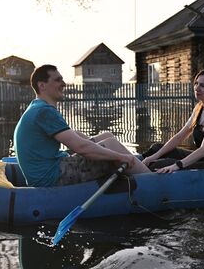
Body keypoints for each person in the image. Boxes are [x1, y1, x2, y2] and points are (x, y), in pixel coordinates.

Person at [14, 64, 150, 187]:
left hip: (47, 169)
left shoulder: (37, 107)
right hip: (51, 177)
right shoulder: (44, 111)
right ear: (42, 85)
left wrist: (98, 145)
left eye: (62, 79)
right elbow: (81, 147)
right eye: (57, 80)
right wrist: (119, 156)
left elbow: (74, 136)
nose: (63, 83)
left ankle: (138, 168)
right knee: (112, 144)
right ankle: (153, 180)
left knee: (107, 136)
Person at [142, 69, 204, 173]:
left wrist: (176, 165)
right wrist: (153, 156)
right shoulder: (199, 108)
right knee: (156, 148)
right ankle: (137, 164)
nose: (197, 88)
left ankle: (138, 176)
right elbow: (179, 137)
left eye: (202, 85)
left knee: (161, 164)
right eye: (196, 83)